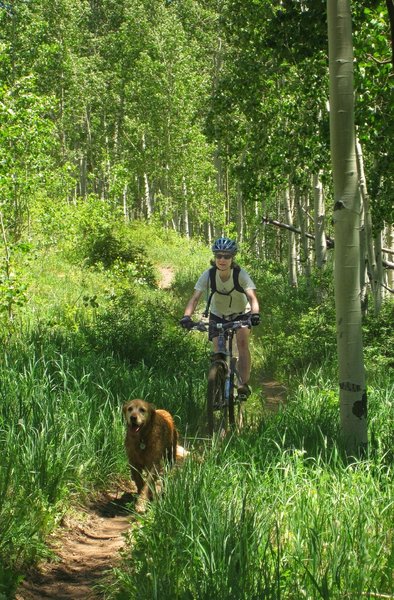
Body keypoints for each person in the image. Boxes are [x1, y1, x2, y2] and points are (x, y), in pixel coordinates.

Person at [179, 237, 260, 397]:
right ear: (215, 257)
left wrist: (255, 314)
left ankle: (243, 384)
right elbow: (195, 298)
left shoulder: (240, 274)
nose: (222, 259)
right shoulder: (208, 274)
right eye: (219, 256)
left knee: (242, 344)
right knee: (218, 351)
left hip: (241, 313)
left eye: (227, 256)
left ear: (232, 258)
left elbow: (252, 297)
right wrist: (186, 316)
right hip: (217, 314)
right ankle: (218, 385)